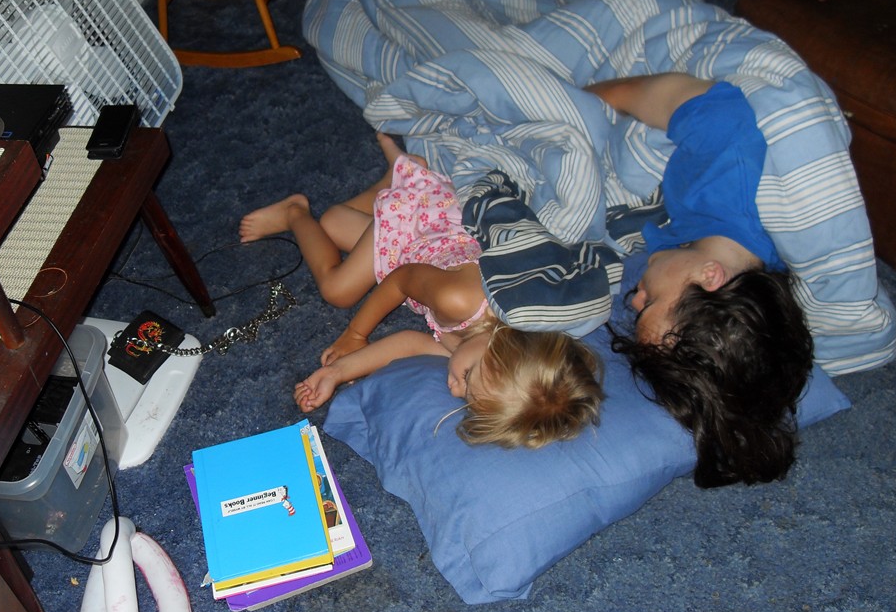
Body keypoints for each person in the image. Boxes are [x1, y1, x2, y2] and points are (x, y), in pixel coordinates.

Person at [239, 132, 604, 450]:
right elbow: (402, 279)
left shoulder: (473, 351)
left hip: (416, 252)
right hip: (422, 224)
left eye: (466, 398)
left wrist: (337, 372)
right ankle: (296, 212)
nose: (454, 390)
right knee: (338, 290)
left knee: (334, 223)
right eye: (466, 380)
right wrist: (355, 334)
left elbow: (409, 344)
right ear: (502, 348)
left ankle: (399, 172)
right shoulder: (459, 301)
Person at [584, 73, 814, 488]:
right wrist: (579, 102)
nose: (633, 300)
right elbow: (652, 94)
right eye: (650, 302)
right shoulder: (727, 171)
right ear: (710, 276)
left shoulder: (708, 253)